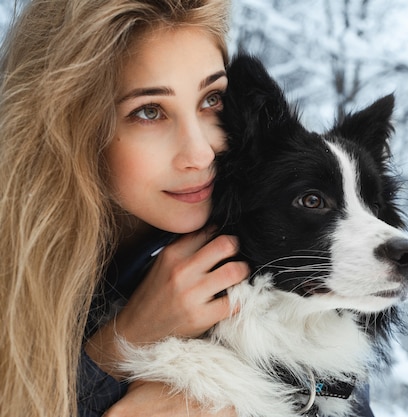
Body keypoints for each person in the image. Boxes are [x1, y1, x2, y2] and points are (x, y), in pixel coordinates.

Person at [0, 1, 376, 417]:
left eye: (211, 100)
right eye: (149, 112)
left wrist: (284, 385)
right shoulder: (15, 279)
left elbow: (341, 390)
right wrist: (115, 352)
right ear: (70, 126)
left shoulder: (272, 232)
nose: (199, 152)